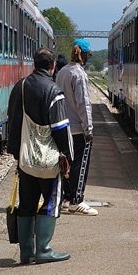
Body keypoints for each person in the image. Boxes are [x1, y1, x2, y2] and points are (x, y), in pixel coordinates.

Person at [5, 48, 73, 264]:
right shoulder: (54, 91)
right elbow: (61, 129)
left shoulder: (20, 87)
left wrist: (16, 154)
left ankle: (26, 252)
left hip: (25, 159)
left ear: (34, 64)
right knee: (52, 201)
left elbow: (13, 121)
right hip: (49, 160)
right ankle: (43, 249)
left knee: (27, 202)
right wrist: (67, 156)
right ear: (52, 66)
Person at [54, 40, 96, 215]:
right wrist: (89, 129)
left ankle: (66, 198)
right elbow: (84, 104)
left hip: (63, 126)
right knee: (80, 164)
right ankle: (76, 200)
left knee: (66, 165)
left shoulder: (62, 72)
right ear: (85, 55)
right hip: (78, 128)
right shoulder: (79, 75)